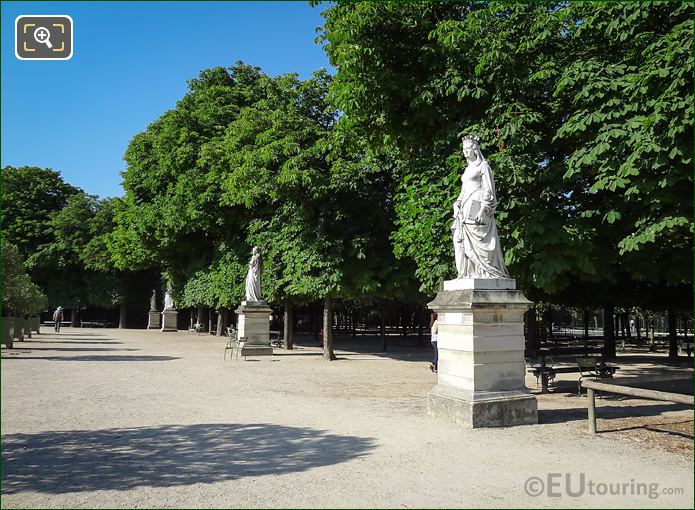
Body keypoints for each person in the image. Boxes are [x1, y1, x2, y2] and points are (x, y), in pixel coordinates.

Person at [452, 135, 510, 279]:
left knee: (480, 241)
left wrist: (484, 208)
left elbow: (488, 189)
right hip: (464, 208)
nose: (465, 151)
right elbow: (463, 191)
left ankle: (484, 272)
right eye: (464, 149)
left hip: (477, 208)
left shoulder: (483, 166)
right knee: (459, 240)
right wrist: (457, 203)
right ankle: (468, 273)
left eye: (468, 148)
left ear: (475, 149)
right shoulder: (467, 170)